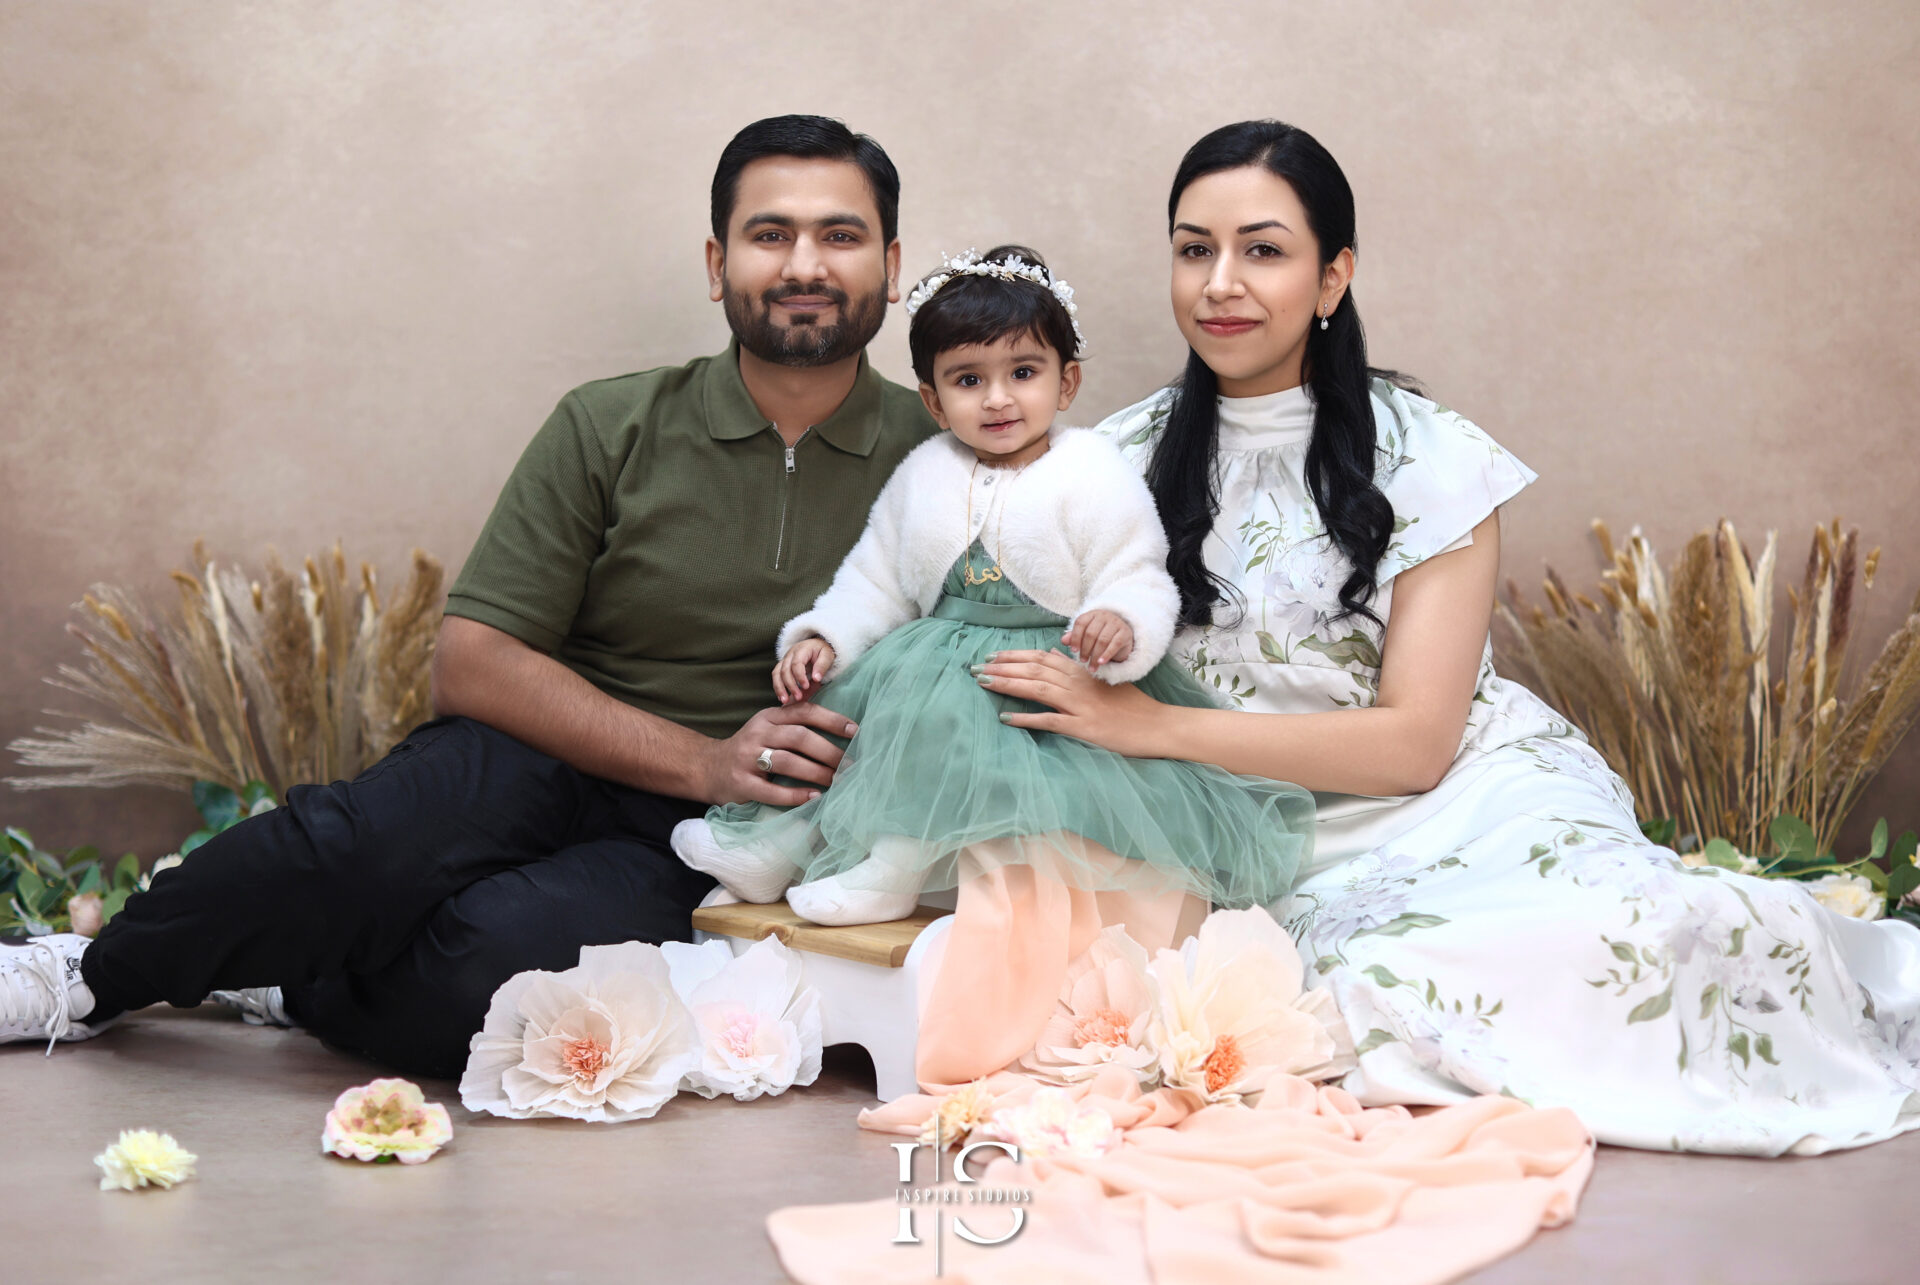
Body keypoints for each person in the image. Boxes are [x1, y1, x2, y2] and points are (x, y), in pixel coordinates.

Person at [973, 120, 1920, 1155]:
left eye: (1264, 250)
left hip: (1462, 797)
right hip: (1257, 832)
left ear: (1334, 278)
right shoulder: (1110, 461)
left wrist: (1150, 727)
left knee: (1685, 933)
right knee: (1383, 987)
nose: (1220, 283)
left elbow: (1415, 744)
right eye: (1194, 249)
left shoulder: (1434, 458)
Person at [0, 115, 938, 1078]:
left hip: (712, 839)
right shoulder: (608, 424)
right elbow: (473, 661)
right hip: (537, 754)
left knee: (483, 974)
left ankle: (293, 978)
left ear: (892, 263)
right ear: (717, 262)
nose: (804, 264)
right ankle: (89, 976)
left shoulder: (947, 462)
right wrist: (702, 757)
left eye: (840, 234)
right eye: (770, 233)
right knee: (345, 850)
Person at [670, 246, 1315, 926]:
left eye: (1024, 372)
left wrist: (1119, 621)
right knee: (848, 725)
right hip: (932, 657)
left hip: (1036, 670)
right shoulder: (924, 470)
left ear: (1065, 385)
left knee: (938, 730)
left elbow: (1138, 574)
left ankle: (892, 871)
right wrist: (824, 636)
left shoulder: (1091, 469)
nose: (998, 397)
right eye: (968, 379)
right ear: (934, 400)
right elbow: (877, 576)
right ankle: (773, 846)